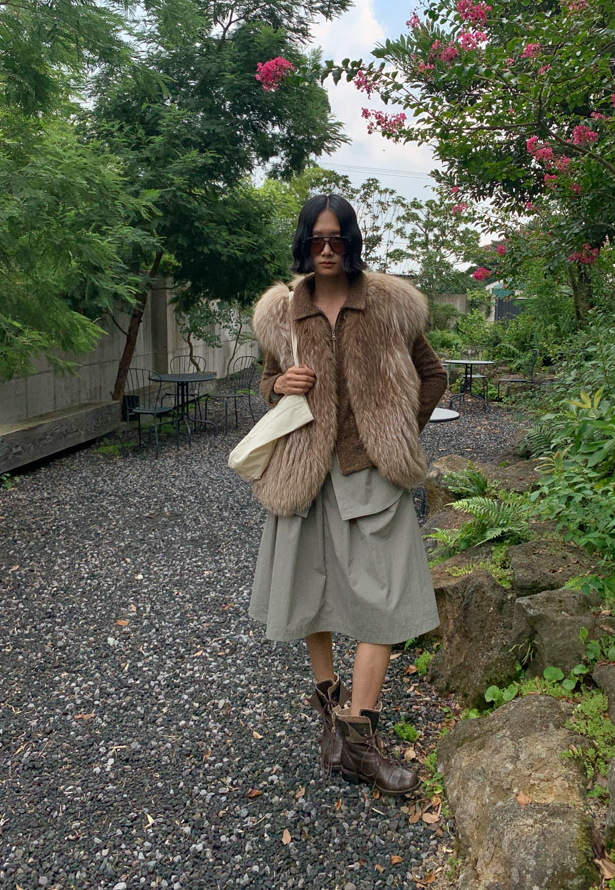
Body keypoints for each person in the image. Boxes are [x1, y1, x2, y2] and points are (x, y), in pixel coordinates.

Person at [248, 194, 447, 796]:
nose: (327, 250)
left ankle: (358, 737)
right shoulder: (281, 313)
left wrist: (397, 431)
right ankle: (332, 713)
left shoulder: (389, 304)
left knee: (384, 600)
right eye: (317, 239)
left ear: (352, 241)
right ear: (304, 243)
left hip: (372, 472)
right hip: (305, 472)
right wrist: (278, 385)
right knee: (311, 589)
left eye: (337, 239)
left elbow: (433, 374)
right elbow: (266, 381)